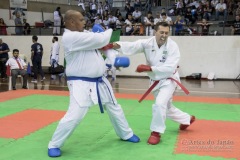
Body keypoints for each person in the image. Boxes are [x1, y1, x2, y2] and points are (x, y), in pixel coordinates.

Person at [47, 10, 140, 157]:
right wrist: (107, 29)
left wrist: (113, 60)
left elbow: (103, 48)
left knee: (115, 107)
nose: (85, 22)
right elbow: (102, 40)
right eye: (81, 19)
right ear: (71, 22)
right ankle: (54, 144)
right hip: (80, 83)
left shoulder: (85, 36)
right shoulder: (71, 37)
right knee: (75, 115)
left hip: (100, 81)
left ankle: (126, 133)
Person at [112, 22, 195, 145]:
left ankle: (156, 133)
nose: (164, 35)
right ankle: (187, 119)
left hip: (169, 79)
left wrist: (149, 69)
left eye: (166, 33)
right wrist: (115, 45)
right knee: (166, 108)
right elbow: (132, 46)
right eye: (161, 32)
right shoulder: (148, 43)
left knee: (159, 104)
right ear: (155, 32)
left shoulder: (172, 46)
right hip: (154, 81)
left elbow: (170, 67)